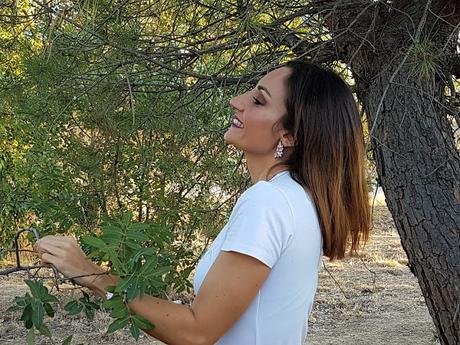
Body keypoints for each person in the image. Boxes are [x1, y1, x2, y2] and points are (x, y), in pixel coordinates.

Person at [34, 60, 370, 345]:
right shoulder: (296, 197)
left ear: (289, 135)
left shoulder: (269, 202)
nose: (237, 102)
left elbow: (198, 330)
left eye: (258, 101)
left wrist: (90, 274)